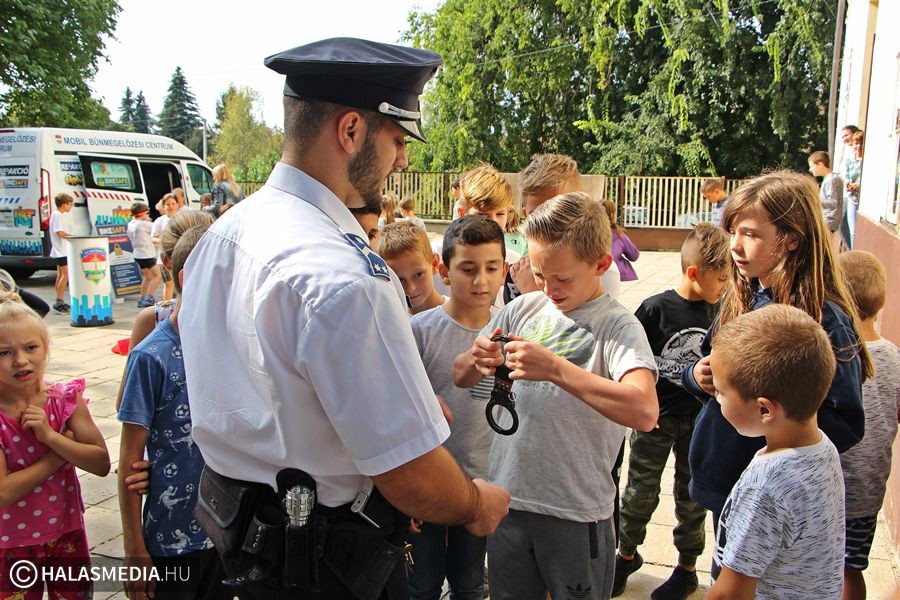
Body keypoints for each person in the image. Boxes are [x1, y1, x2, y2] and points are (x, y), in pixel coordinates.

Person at [178, 37, 510, 600]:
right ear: (351, 130)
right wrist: (477, 504)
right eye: (397, 138)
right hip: (323, 565)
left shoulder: (224, 234)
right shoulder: (349, 276)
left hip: (239, 538)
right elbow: (409, 473)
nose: (402, 158)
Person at [454, 192, 658, 600]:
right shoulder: (525, 308)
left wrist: (557, 370)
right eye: (539, 274)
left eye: (562, 279)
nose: (549, 289)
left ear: (602, 263)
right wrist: (477, 357)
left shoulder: (618, 327)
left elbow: (644, 410)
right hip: (509, 502)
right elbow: (460, 376)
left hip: (575, 514)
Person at [682, 170, 870, 544]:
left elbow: (846, 419)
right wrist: (697, 376)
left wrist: (772, 434)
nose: (734, 246)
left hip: (770, 495)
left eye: (751, 235)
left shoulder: (823, 320)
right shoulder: (742, 298)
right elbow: (712, 370)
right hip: (725, 483)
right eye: (732, 232)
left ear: (791, 241)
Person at [613, 222, 729, 599]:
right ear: (695, 273)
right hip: (655, 420)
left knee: (691, 496)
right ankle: (626, 554)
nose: (726, 285)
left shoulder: (723, 310)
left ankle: (686, 568)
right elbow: (633, 359)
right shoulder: (656, 309)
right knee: (639, 492)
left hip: (699, 423)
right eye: (721, 277)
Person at [118, 223, 231, 600]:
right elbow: (129, 463)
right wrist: (135, 551)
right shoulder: (151, 357)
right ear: (188, 278)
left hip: (226, 536)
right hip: (169, 543)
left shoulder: (231, 347)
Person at [706, 304, 845, 600]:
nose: (716, 397)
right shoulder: (823, 448)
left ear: (765, 409)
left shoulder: (766, 486)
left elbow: (730, 594)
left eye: (720, 391)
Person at [407, 215, 508, 600]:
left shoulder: (511, 331)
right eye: (468, 269)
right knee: (422, 585)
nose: (480, 280)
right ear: (444, 271)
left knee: (469, 585)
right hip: (430, 483)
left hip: (484, 485)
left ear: (504, 270)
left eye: (490, 268)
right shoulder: (420, 331)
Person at [0, 293, 110, 598]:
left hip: (67, 533)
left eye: (30, 348)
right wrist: (57, 454)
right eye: (4, 353)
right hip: (8, 545)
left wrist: (49, 436)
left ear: (45, 349)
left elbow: (100, 463)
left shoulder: (64, 399)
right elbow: (3, 491)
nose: (21, 360)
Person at [836, 251, 900, 600]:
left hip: (828, 490)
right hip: (867, 494)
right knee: (851, 569)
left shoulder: (833, 354)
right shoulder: (893, 356)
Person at [509, 153, 620, 302]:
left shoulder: (600, 272)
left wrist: (532, 295)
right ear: (525, 214)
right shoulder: (516, 269)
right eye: (537, 213)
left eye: (562, 211)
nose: (548, 221)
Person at [431, 164, 521, 301]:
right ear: (462, 213)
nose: (494, 222)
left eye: (500, 214)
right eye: (483, 216)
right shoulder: (433, 256)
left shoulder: (515, 263)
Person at [377, 220, 445, 315]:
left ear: (434, 264)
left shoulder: (461, 315)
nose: (410, 289)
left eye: (418, 274)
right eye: (399, 279)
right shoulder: (387, 318)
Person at [127, 202, 162, 308]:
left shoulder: (131, 223)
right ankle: (149, 297)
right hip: (147, 254)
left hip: (137, 254)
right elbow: (157, 228)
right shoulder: (143, 224)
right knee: (157, 275)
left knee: (147, 276)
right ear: (144, 213)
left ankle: (142, 298)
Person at [808, 150, 844, 246]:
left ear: (820, 164)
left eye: (812, 166)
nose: (810, 170)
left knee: (821, 246)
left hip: (829, 220)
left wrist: (815, 199)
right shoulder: (829, 179)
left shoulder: (831, 180)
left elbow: (832, 202)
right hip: (827, 219)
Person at [49, 192, 74, 314]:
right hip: (61, 250)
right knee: (65, 275)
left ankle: (59, 300)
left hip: (59, 249)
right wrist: (72, 236)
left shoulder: (55, 214)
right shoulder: (58, 215)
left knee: (60, 275)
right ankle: (59, 300)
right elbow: (59, 232)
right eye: (70, 204)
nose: (71, 207)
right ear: (64, 204)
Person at [151, 193, 179, 302]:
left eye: (173, 203)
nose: (171, 206)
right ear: (163, 206)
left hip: (180, 255)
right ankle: (166, 307)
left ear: (177, 205)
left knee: (180, 282)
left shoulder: (182, 218)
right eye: (168, 204)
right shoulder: (159, 221)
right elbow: (153, 238)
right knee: (169, 283)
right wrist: (164, 242)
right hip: (164, 256)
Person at [604, 200, 639, 282]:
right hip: (621, 276)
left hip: (600, 278)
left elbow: (634, 255)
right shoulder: (619, 235)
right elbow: (634, 255)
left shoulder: (588, 236)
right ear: (612, 215)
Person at [843, 130, 864, 249]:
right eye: (856, 143)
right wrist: (847, 184)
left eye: (861, 143)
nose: (858, 146)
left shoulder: (866, 161)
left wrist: (858, 185)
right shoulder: (850, 160)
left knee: (856, 231)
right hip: (852, 199)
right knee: (852, 231)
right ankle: (852, 252)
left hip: (863, 199)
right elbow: (847, 175)